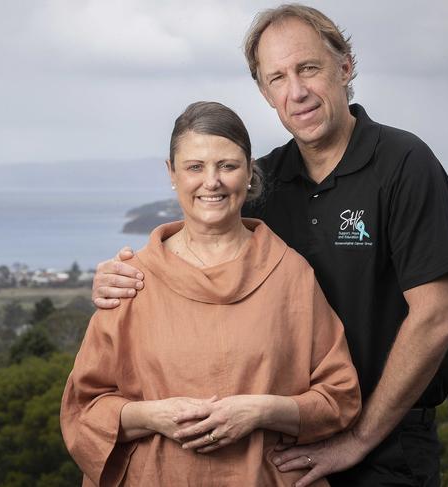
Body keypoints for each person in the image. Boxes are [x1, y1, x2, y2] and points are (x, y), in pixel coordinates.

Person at [91, 5, 448, 487]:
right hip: (290, 445)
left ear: (345, 66)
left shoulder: (403, 163)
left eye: (308, 68)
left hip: (388, 442)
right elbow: (198, 247)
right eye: (278, 78)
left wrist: (357, 439)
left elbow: (437, 319)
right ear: (264, 92)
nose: (297, 91)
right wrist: (122, 277)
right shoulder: (264, 182)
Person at [61, 101, 361, 486]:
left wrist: (260, 411)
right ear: (171, 173)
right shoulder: (131, 280)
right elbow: (85, 408)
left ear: (250, 173)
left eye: (228, 166)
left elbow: (339, 399)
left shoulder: (290, 274)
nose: (212, 181)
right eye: (195, 167)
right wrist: (154, 416)